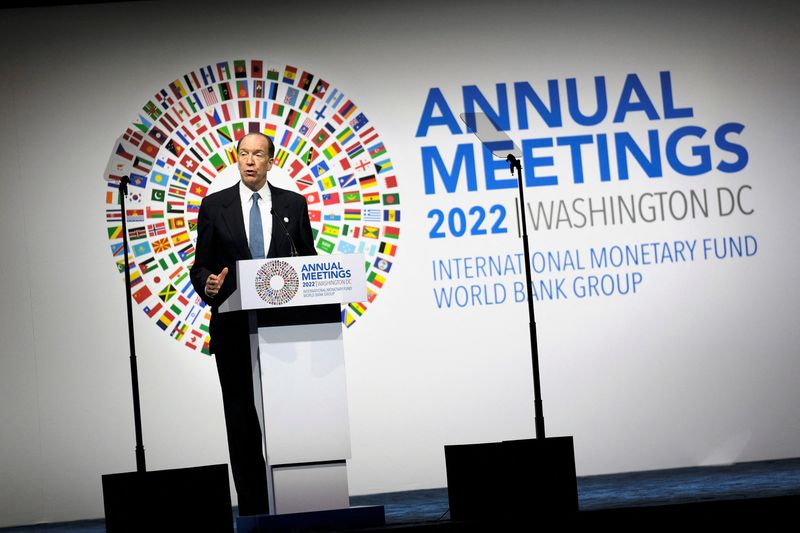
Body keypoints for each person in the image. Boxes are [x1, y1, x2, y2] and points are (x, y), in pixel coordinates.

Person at [190, 132, 316, 515]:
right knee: (241, 418)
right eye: (243, 153)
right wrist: (208, 284)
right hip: (232, 327)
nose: (249, 160)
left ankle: (296, 498)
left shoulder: (293, 204)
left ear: (270, 161)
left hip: (285, 328)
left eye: (257, 154)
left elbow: (307, 260)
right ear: (236, 158)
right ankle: (255, 505)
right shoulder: (215, 206)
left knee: (288, 414)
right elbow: (201, 265)